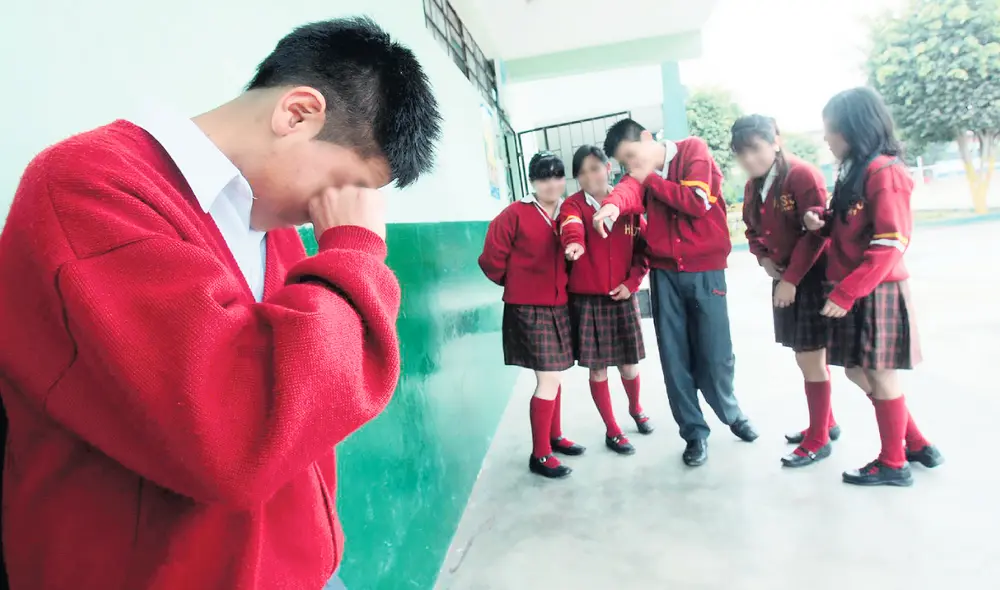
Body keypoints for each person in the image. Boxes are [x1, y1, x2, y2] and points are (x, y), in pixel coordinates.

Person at [0, 17, 441, 590]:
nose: (335, 210)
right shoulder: (89, 187)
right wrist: (355, 252)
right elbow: (237, 438)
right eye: (346, 184)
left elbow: (303, 418)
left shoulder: (270, 228)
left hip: (300, 569)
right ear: (298, 113)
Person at [593, 119, 758, 467]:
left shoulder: (692, 151)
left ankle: (730, 412)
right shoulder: (638, 175)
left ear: (647, 138)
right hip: (666, 275)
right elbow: (627, 191)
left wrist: (649, 177)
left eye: (633, 156)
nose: (632, 166)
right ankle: (694, 434)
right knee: (674, 358)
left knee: (715, 354)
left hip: (704, 273)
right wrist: (611, 206)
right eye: (626, 163)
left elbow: (696, 202)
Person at [805, 86, 944, 486]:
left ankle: (894, 463)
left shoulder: (885, 172)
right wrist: (822, 218)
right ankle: (914, 442)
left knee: (880, 374)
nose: (827, 139)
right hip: (856, 285)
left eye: (831, 131)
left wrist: (847, 291)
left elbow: (890, 242)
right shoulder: (856, 169)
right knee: (856, 370)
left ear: (855, 128)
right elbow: (848, 222)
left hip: (872, 287)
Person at [731, 115, 839, 468]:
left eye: (755, 149)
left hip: (811, 278)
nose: (749, 159)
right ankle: (826, 423)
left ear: (774, 141)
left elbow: (817, 233)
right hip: (784, 278)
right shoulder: (753, 186)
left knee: (810, 356)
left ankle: (819, 439)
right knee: (806, 355)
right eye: (741, 153)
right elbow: (751, 230)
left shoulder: (801, 174)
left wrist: (791, 279)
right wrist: (763, 259)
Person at [478, 151, 584, 479]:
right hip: (527, 307)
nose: (551, 183)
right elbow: (490, 259)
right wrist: (518, 284)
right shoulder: (514, 214)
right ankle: (540, 455)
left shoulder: (569, 213)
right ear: (532, 181)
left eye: (557, 176)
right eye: (543, 177)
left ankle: (554, 436)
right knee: (548, 376)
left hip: (559, 304)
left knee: (556, 374)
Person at [559, 145, 652, 456]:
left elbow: (643, 252)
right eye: (582, 172)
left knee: (629, 365)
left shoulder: (628, 204)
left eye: (595, 168)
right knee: (597, 370)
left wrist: (632, 283)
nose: (590, 177)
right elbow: (570, 227)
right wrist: (575, 245)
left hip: (622, 297)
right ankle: (612, 430)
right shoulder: (572, 206)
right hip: (587, 302)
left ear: (608, 168)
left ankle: (636, 409)